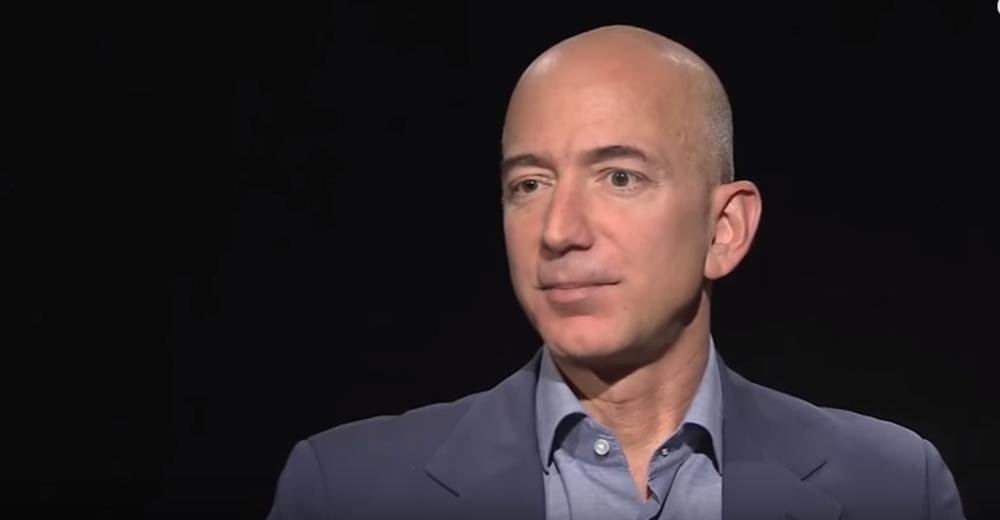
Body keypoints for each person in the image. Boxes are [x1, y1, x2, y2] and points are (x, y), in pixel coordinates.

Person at [266, 25, 965, 520]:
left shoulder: (894, 487)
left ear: (724, 230)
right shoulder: (346, 490)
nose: (559, 231)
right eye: (529, 185)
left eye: (620, 177)